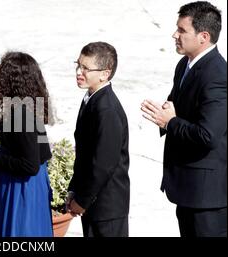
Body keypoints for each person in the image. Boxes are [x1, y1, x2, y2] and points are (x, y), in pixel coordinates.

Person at [141, 1, 226, 237]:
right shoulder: (184, 64)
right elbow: (177, 108)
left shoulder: (217, 76)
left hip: (207, 198)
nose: (174, 35)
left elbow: (208, 135)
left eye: (182, 30)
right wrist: (163, 114)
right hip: (187, 189)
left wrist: (171, 122)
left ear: (203, 36)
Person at [0, 51, 54, 237]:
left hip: (21, 190)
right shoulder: (29, 107)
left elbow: (30, 165)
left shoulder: (19, 113)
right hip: (33, 187)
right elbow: (40, 152)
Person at [66, 42, 130, 237]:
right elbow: (85, 154)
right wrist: (74, 190)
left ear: (105, 73)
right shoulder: (92, 98)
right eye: (78, 65)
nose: (79, 72)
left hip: (106, 207)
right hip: (95, 204)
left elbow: (103, 164)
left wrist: (82, 200)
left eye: (86, 68)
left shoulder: (106, 109)